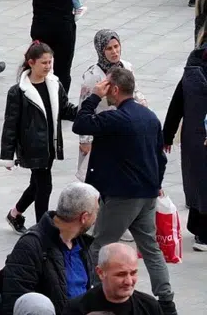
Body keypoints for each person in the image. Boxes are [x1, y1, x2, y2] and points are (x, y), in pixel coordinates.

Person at [71, 67, 177, 313]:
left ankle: (97, 297)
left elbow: (80, 123)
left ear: (115, 89)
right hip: (148, 194)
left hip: (122, 196)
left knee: (100, 246)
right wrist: (157, 184)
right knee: (150, 247)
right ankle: (167, 301)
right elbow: (160, 157)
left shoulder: (115, 118)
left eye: (108, 86)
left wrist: (94, 96)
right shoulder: (150, 117)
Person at [0, 41, 79, 233]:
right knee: (45, 186)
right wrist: (7, 156)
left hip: (50, 146)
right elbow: (10, 125)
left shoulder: (54, 84)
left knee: (36, 185)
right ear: (31, 63)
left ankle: (15, 214)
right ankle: (42, 231)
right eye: (44, 62)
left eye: (50, 62)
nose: (48, 66)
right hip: (32, 147)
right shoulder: (18, 92)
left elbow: (65, 109)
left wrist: (86, 110)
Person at [0, 182, 99, 315]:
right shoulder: (31, 246)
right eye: (96, 213)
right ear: (84, 217)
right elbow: (17, 301)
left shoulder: (83, 243)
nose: (96, 219)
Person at [163, 45, 207, 250]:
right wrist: (167, 135)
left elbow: (176, 102)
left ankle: (197, 227)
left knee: (198, 182)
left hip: (193, 138)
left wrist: (167, 135)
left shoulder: (192, 70)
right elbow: (178, 102)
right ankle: (204, 235)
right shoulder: (196, 72)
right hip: (199, 138)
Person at [63, 243, 162, 315]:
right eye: (121, 274)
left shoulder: (150, 306)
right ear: (100, 273)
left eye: (133, 273)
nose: (129, 281)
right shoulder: (77, 309)